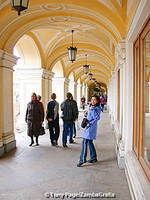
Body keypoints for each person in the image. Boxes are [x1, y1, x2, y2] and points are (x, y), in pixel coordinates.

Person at [77, 95, 101, 167]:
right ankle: (93, 157)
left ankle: (82, 159)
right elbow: (89, 115)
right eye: (92, 99)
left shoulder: (97, 108)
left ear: (97, 101)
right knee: (89, 142)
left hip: (90, 127)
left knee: (84, 142)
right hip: (88, 126)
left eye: (94, 100)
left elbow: (96, 117)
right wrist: (87, 112)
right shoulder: (91, 107)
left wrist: (92, 110)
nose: (93, 101)